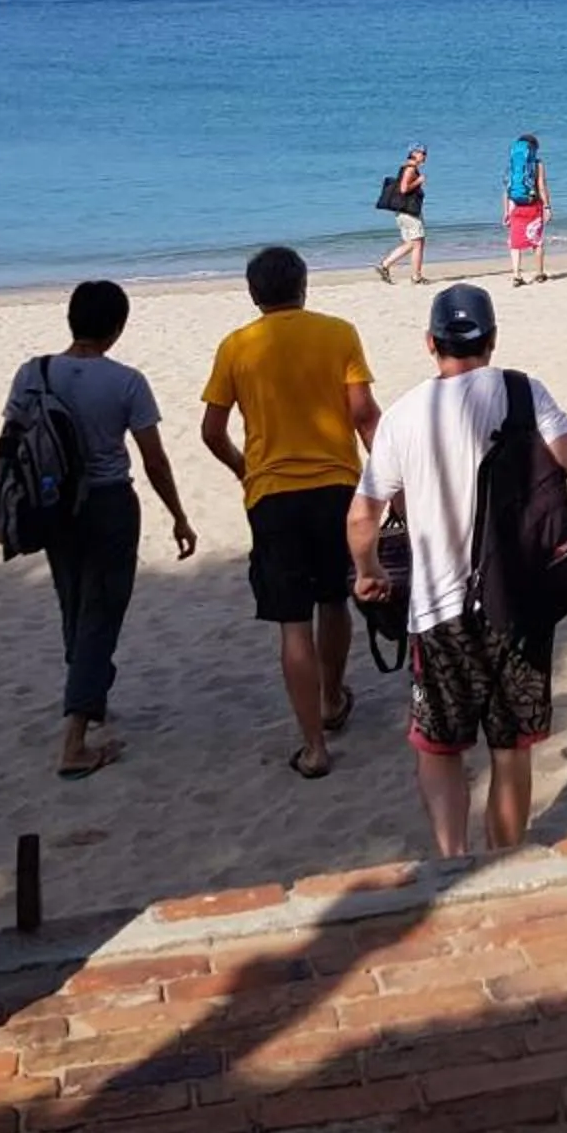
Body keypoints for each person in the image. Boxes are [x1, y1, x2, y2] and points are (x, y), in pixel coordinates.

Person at [347, 282, 567, 856]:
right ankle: (504, 860)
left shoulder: (404, 415)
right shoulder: (522, 391)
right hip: (518, 601)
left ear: (430, 343)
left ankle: (451, 860)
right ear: (493, 340)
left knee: (440, 749)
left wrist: (368, 571)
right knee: (511, 751)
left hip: (437, 611)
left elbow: (363, 516)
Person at [199, 246, 379, 778]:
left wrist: (243, 468)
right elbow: (364, 416)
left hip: (271, 496)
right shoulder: (338, 333)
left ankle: (314, 747)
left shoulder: (236, 347)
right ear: (303, 286)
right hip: (336, 487)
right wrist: (387, 475)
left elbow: (212, 432)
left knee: (291, 623)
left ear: (254, 294)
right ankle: (330, 697)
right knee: (333, 601)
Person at [5, 280, 195, 779]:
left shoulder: (33, 372)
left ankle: (90, 696)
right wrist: (177, 513)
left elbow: (13, 441)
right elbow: (153, 459)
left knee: (73, 599)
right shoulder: (126, 381)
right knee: (102, 611)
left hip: (53, 504)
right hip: (109, 504)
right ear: (118, 327)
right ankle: (75, 738)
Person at [375, 145, 429, 286]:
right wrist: (419, 181)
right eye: (422, 153)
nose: (424, 156)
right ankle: (415, 276)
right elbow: (404, 189)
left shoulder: (407, 167)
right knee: (418, 242)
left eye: (425, 153)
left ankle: (386, 265)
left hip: (404, 211)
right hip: (408, 211)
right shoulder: (410, 169)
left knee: (412, 243)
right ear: (414, 154)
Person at [503, 133, 550, 288]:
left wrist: (506, 212)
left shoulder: (512, 166)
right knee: (537, 240)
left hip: (515, 206)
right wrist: (547, 206)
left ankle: (516, 275)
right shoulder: (537, 164)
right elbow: (542, 187)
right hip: (533, 206)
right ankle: (539, 273)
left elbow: (507, 190)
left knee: (515, 243)